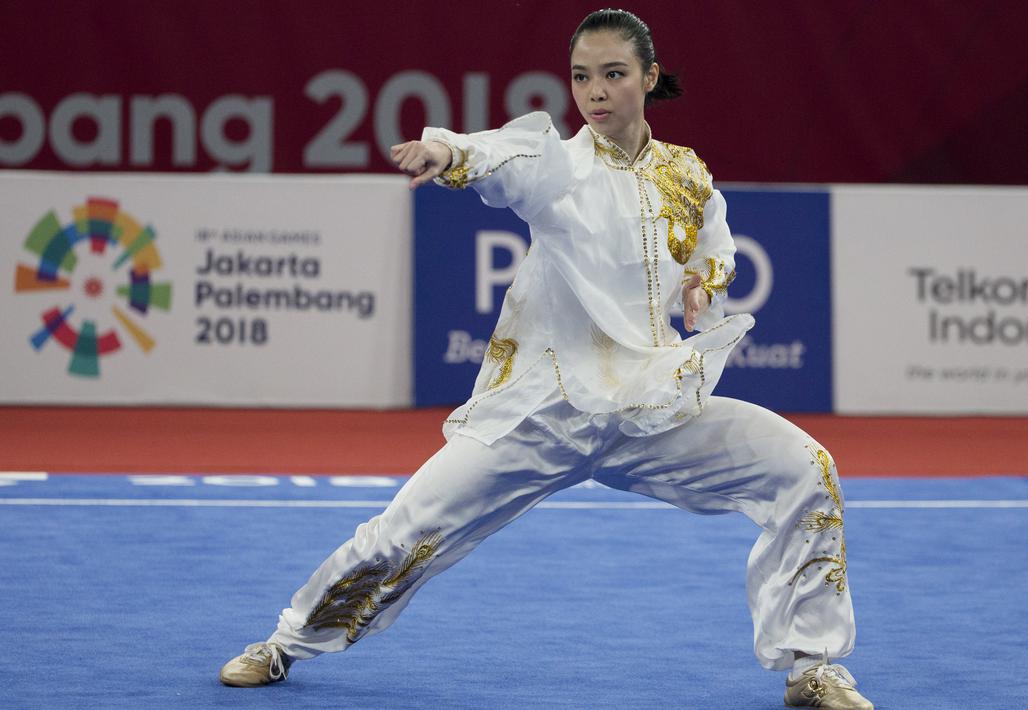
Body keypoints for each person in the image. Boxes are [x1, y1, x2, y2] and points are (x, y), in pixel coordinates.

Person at [219, 8, 872, 709]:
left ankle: (811, 665)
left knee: (806, 470)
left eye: (613, 75)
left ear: (648, 79)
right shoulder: (561, 168)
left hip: (647, 409)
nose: (594, 91)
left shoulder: (685, 173)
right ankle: (285, 644)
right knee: (404, 534)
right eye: (581, 77)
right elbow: (508, 155)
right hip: (542, 409)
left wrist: (703, 282)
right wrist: (449, 154)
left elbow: (715, 243)